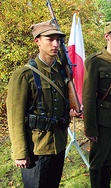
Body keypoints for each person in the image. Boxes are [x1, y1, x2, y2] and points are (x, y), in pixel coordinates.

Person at [6, 20, 81, 188]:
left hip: (59, 145)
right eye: (50, 39)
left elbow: (59, 104)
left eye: (58, 40)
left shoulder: (61, 72)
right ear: (37, 41)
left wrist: (72, 110)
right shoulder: (24, 75)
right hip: (36, 148)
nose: (55, 44)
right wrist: (20, 153)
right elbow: (15, 117)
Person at [82, 20, 111, 187]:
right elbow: (88, 97)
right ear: (107, 36)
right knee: (98, 160)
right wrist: (90, 128)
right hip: (102, 119)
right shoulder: (95, 61)